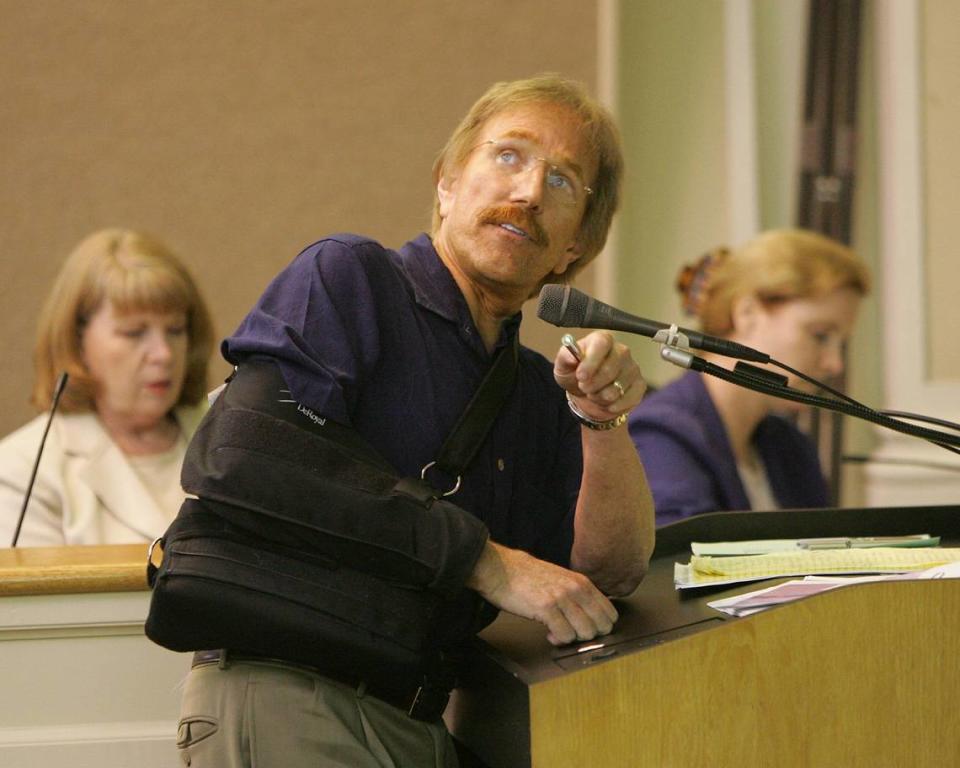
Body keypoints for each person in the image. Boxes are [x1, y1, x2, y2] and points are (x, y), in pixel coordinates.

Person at [174, 74, 656, 767]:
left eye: (561, 182)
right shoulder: (351, 280)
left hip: (429, 724)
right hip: (292, 692)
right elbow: (241, 456)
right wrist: (483, 561)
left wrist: (602, 421)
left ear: (573, 248)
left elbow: (603, 579)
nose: (526, 192)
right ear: (447, 184)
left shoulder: (537, 392)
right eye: (509, 156)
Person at [628, 229, 870, 525]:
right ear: (747, 313)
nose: (835, 364)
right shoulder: (662, 436)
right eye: (820, 335)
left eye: (840, 343)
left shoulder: (789, 445)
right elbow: (682, 566)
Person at [0, 228, 214, 547]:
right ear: (77, 342)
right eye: (134, 333)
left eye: (175, 330)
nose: (163, 354)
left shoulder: (231, 441)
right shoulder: (23, 472)